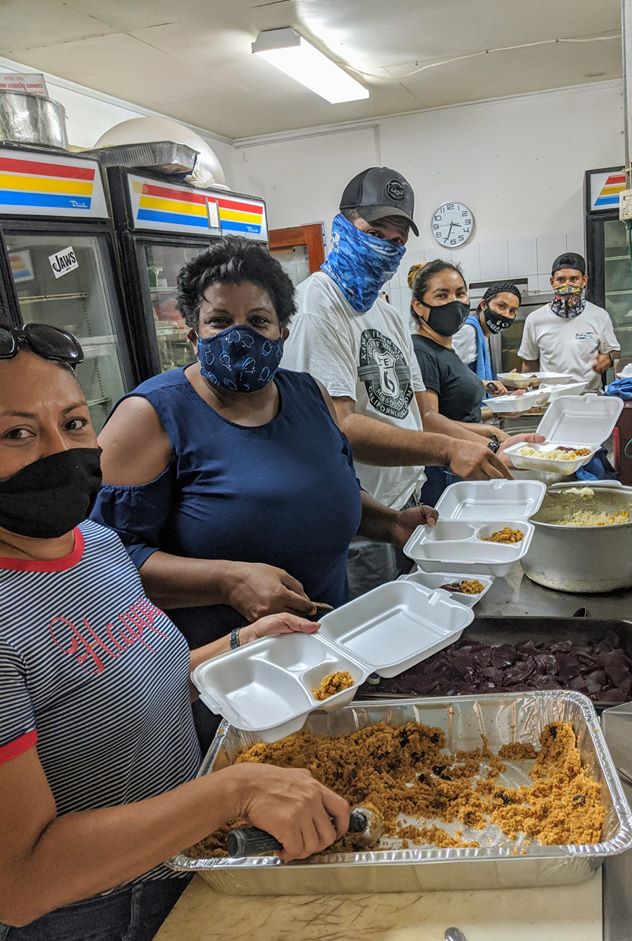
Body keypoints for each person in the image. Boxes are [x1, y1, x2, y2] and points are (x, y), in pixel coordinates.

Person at [0, 323, 350, 941]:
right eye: (16, 434)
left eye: (74, 423)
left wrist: (240, 643)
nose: (59, 450)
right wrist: (233, 791)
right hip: (86, 922)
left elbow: (114, 685)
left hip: (185, 863)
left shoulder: (95, 545)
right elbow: (21, 883)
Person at [91, 238, 435, 747]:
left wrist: (389, 522)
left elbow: (325, 493)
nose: (240, 335)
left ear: (282, 332)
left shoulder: (310, 395)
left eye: (258, 320)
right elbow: (104, 568)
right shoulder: (151, 416)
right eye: (219, 321)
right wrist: (228, 581)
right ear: (192, 333)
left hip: (328, 658)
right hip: (224, 682)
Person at [282, 166, 536, 591]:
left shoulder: (385, 313)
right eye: (374, 232)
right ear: (342, 227)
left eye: (397, 240)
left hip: (407, 505)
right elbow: (339, 427)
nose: (386, 246)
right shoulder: (315, 308)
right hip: (360, 519)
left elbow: (423, 416)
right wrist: (448, 451)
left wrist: (491, 447)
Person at [409, 263, 539, 504]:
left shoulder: (445, 351)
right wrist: (491, 442)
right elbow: (429, 421)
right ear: (418, 306)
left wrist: (493, 424)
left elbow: (457, 409)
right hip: (447, 470)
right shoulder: (421, 351)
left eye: (460, 293)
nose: (454, 302)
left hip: (466, 463)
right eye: (442, 295)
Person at [518, 252, 621, 391]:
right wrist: (524, 390)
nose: (567, 285)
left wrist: (608, 358)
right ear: (552, 282)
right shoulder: (535, 319)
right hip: (550, 398)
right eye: (561, 280)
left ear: (584, 281)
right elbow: (529, 364)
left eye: (574, 279)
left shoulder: (599, 316)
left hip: (589, 396)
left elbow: (615, 352)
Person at [453, 281, 523, 395]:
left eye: (512, 311)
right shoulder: (468, 331)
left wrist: (502, 384)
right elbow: (448, 376)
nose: (506, 315)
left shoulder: (482, 333)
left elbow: (473, 377)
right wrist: (485, 385)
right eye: (501, 306)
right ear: (483, 305)